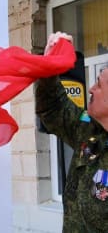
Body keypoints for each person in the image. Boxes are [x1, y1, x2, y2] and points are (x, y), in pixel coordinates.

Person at [35, 31, 108, 232]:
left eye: (100, 85)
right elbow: (53, 108)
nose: (91, 89)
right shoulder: (89, 127)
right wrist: (49, 67)